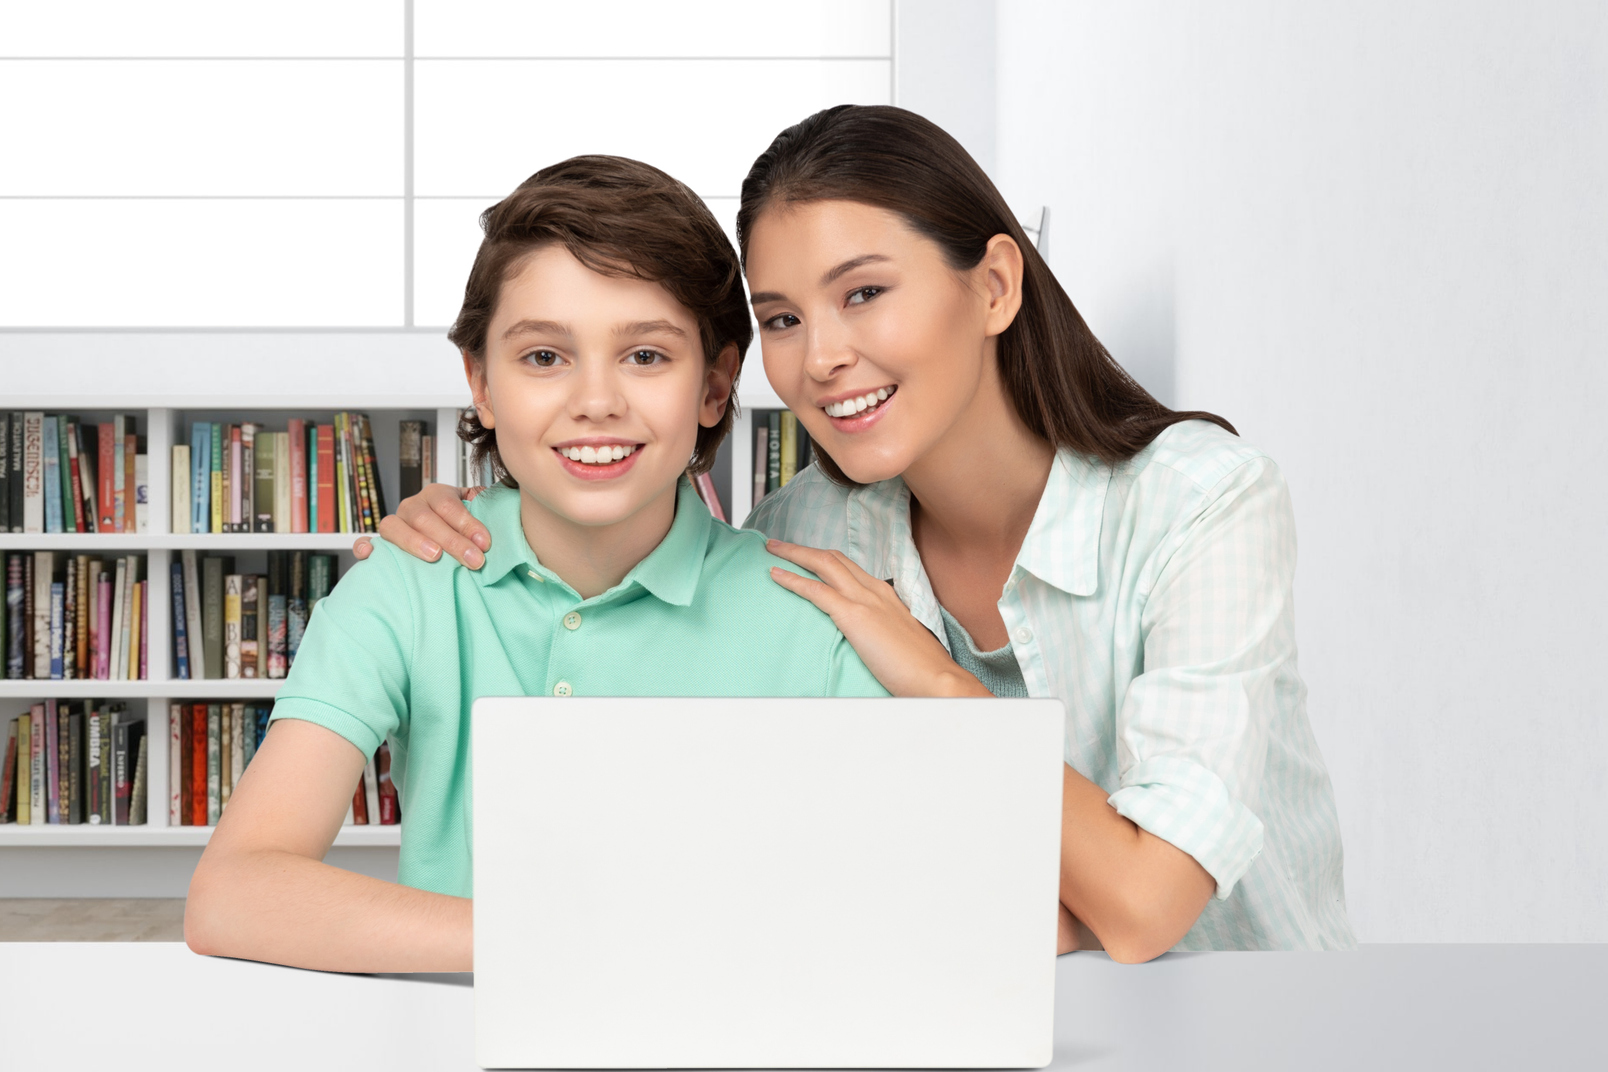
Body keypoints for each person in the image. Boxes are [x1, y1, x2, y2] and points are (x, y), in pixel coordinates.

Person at [366, 106, 1355, 959]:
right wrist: (471, 527)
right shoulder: (810, 532)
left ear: (995, 287)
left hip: (1245, 1011)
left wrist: (937, 683)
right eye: (784, 319)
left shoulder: (1202, 504)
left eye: (865, 293)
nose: (824, 356)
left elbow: (1144, 909)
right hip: (966, 1017)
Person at [184, 155, 888, 974]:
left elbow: (898, 896)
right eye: (544, 357)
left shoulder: (814, 616)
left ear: (716, 385)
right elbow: (233, 892)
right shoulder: (407, 585)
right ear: (481, 383)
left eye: (647, 357)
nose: (596, 400)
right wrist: (563, 945)